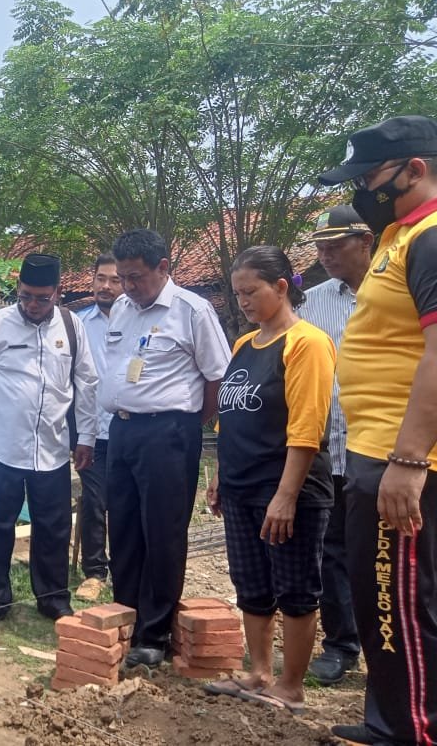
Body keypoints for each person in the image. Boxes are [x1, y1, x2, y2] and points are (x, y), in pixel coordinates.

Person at [317, 114, 437, 745]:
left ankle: (413, 731)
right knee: (380, 600)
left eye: (371, 178)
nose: (363, 190)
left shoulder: (432, 238)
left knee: (403, 607)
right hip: (369, 451)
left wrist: (410, 460)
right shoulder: (399, 234)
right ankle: (390, 719)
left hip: (402, 457)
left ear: (414, 169)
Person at [205, 246, 335, 714]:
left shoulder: (307, 343)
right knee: (250, 582)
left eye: (250, 292)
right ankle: (258, 671)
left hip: (287, 490)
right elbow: (229, 419)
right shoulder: (245, 345)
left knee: (296, 586)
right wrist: (220, 474)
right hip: (241, 486)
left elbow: (306, 428)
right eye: (237, 293)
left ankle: (291, 684)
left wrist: (285, 496)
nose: (242, 302)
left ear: (282, 287)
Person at [101, 229, 230, 668]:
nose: (129, 286)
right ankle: (126, 618)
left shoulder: (192, 310)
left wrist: (192, 424)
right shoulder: (121, 307)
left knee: (162, 532)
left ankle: (154, 634)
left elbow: (217, 375)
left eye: (136, 277)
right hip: (121, 431)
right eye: (123, 278)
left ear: (162, 268)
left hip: (169, 434)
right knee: (123, 528)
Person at [0, 253, 98, 624]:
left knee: (53, 525)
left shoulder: (72, 327)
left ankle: (52, 598)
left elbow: (86, 382)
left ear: (58, 293)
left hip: (52, 448)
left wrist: (86, 435)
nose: (33, 306)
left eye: (42, 298)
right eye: (25, 297)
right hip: (0, 446)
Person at [297, 206, 374, 686]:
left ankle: (399, 651)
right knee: (332, 551)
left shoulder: (402, 291)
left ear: (366, 241)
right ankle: (341, 644)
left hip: (385, 451)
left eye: (335, 246)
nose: (325, 256)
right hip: (330, 448)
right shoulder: (313, 301)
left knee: (393, 555)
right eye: (320, 247)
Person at [74, 253, 123, 600]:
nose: (106, 286)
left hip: (129, 427)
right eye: (100, 278)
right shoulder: (77, 324)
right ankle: (94, 571)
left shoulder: (140, 320)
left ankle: (127, 566)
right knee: (93, 499)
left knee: (126, 500)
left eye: (115, 280)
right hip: (89, 430)